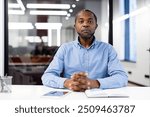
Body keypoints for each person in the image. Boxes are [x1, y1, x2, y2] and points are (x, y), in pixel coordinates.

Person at [41, 9, 128, 92]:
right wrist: (67, 82)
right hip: (71, 96)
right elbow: (47, 76)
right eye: (81, 21)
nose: (85, 24)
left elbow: (122, 77)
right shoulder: (65, 49)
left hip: (100, 98)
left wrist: (94, 83)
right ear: (75, 26)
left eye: (90, 21)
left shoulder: (108, 49)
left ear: (96, 26)